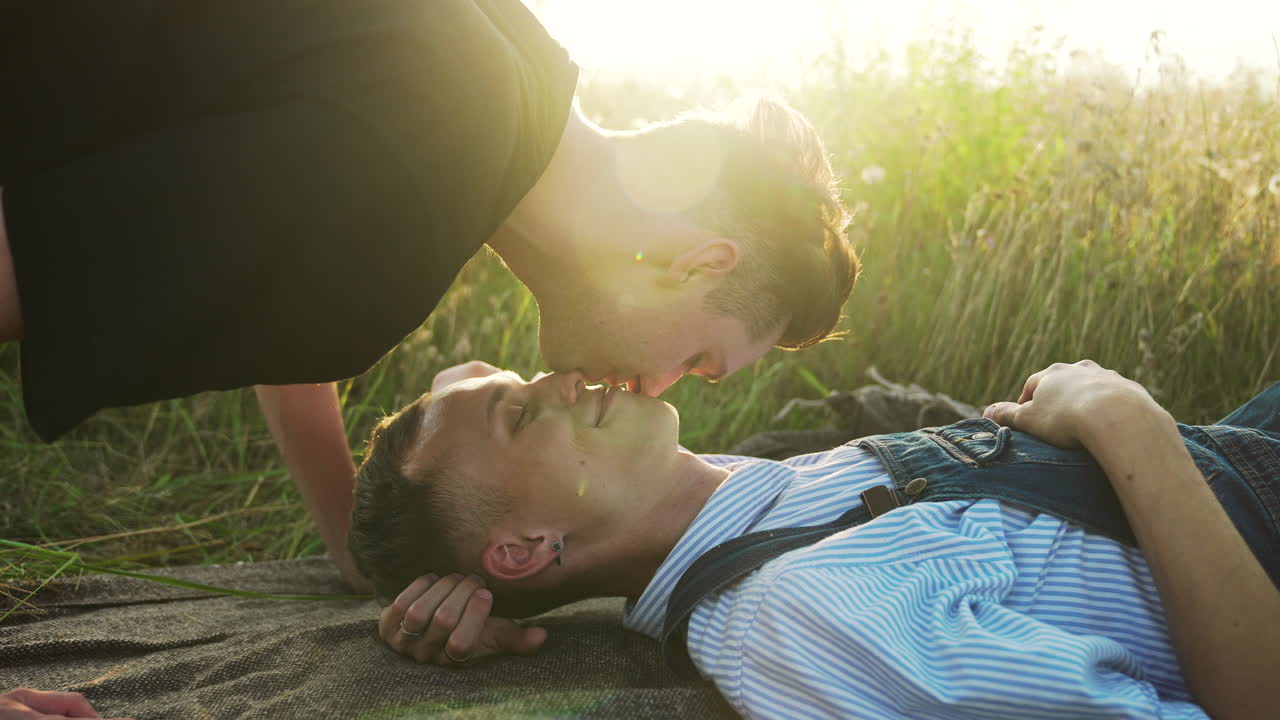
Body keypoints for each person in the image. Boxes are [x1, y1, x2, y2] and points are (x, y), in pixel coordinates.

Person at [0, 1, 858, 590]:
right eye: (699, 360)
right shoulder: (401, 209)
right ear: (700, 263)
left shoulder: (509, 60)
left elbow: (285, 246)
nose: (659, 388)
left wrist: (352, 542)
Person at [347, 361, 1280, 720]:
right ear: (528, 546)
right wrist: (1129, 426)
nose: (554, 375)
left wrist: (453, 600)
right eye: (519, 410)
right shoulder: (802, 616)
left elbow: (465, 450)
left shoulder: (730, 500)